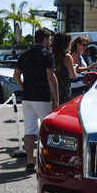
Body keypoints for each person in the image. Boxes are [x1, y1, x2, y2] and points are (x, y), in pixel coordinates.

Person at [13, 28, 59, 171]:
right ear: (45, 40)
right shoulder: (47, 55)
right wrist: (56, 98)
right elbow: (51, 77)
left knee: (29, 129)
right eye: (50, 39)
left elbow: (16, 76)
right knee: (47, 130)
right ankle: (45, 160)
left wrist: (23, 88)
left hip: (28, 97)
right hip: (43, 97)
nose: (51, 41)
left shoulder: (24, 55)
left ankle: (30, 160)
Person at [51, 32, 77, 105]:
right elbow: (73, 76)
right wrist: (75, 69)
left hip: (52, 91)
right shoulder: (67, 57)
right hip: (64, 91)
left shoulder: (50, 56)